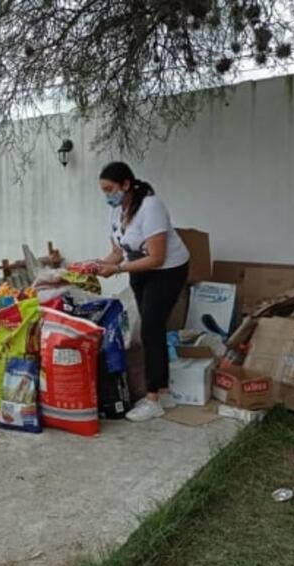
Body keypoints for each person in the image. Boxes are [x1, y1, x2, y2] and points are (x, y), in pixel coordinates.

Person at [95, 162, 190, 422]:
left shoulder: (151, 207)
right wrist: (97, 266)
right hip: (140, 270)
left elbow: (157, 258)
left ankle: (152, 400)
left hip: (167, 271)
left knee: (150, 328)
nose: (107, 196)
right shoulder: (117, 212)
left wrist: (116, 270)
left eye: (110, 189)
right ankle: (163, 391)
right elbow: (118, 251)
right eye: (103, 191)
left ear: (126, 184)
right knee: (152, 330)